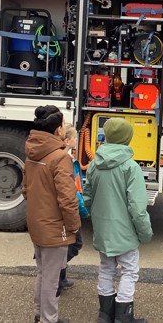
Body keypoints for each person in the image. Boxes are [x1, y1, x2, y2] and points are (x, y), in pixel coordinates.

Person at [84, 117, 153, 323]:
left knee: (106, 268)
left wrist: (93, 218)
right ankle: (124, 316)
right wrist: (145, 232)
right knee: (129, 271)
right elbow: (137, 208)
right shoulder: (131, 168)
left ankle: (105, 314)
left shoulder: (95, 165)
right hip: (125, 231)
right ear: (127, 138)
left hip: (103, 229)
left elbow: (87, 198)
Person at [23, 105, 81, 323]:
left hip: (36, 221)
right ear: (57, 130)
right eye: (63, 124)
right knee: (52, 277)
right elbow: (67, 199)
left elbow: (26, 188)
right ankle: (49, 319)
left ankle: (40, 315)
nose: (65, 127)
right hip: (54, 226)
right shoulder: (60, 157)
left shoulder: (31, 151)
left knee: (42, 272)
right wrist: (74, 225)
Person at [55, 122, 90, 296]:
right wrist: (82, 211)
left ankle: (59, 276)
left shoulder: (66, 159)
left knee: (67, 245)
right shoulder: (65, 161)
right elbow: (71, 192)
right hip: (68, 212)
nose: (77, 140)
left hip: (66, 211)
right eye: (75, 137)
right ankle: (56, 276)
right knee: (74, 244)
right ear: (68, 141)